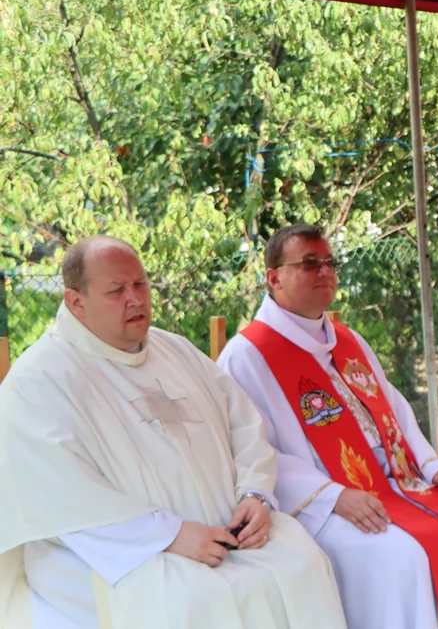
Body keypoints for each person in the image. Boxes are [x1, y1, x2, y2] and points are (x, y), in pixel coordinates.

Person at [0, 236, 347, 629]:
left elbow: (246, 426)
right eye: (116, 290)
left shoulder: (176, 350)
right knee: (196, 603)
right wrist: (167, 535)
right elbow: (59, 494)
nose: (135, 299)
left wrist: (255, 495)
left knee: (302, 562)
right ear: (76, 302)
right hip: (120, 553)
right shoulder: (38, 381)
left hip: (229, 532)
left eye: (140, 285)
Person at [217, 224, 438, 629]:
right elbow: (255, 450)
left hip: (400, 481)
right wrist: (334, 495)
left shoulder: (347, 339)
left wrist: (430, 464)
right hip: (322, 503)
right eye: (309, 263)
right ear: (274, 278)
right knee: (404, 557)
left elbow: (394, 407)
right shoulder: (248, 356)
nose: (324, 271)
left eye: (329, 262)